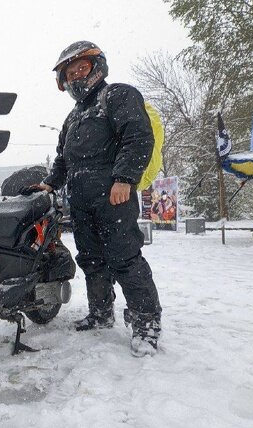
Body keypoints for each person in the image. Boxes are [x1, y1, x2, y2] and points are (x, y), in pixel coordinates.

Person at [32, 41, 162, 356]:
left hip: (113, 193)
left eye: (81, 68)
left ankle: (146, 325)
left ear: (96, 66)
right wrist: (50, 184)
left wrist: (124, 178)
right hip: (80, 197)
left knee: (124, 257)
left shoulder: (117, 95)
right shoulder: (73, 117)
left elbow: (137, 136)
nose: (76, 76)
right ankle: (101, 312)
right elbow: (63, 158)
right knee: (91, 258)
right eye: (70, 72)